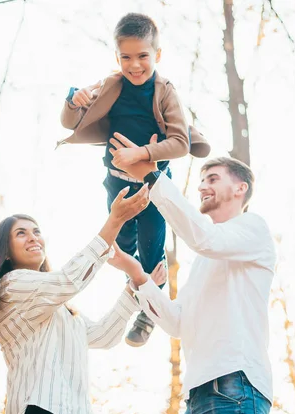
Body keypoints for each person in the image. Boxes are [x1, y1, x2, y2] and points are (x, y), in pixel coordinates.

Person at [59, 12, 210, 347]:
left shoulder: (164, 92)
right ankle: (136, 286)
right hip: (116, 183)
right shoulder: (111, 85)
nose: (135, 65)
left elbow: (181, 142)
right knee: (122, 248)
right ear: (117, 57)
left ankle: (151, 309)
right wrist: (74, 100)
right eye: (126, 57)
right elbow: (71, 122)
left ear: (157, 54)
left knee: (152, 248)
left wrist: (142, 154)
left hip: (153, 185)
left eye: (143, 56)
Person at [109, 132, 277, 414]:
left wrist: (151, 176)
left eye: (212, 179)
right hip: (198, 395)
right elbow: (177, 323)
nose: (202, 186)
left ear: (241, 188)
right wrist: (136, 273)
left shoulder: (253, 229)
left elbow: (204, 238)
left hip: (235, 385)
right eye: (201, 181)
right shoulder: (205, 259)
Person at [0, 184, 166, 414]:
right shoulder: (10, 286)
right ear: (5, 251)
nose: (33, 237)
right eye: (21, 233)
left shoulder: (59, 308)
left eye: (36, 231)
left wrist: (133, 288)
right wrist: (114, 221)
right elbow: (68, 281)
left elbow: (103, 336)